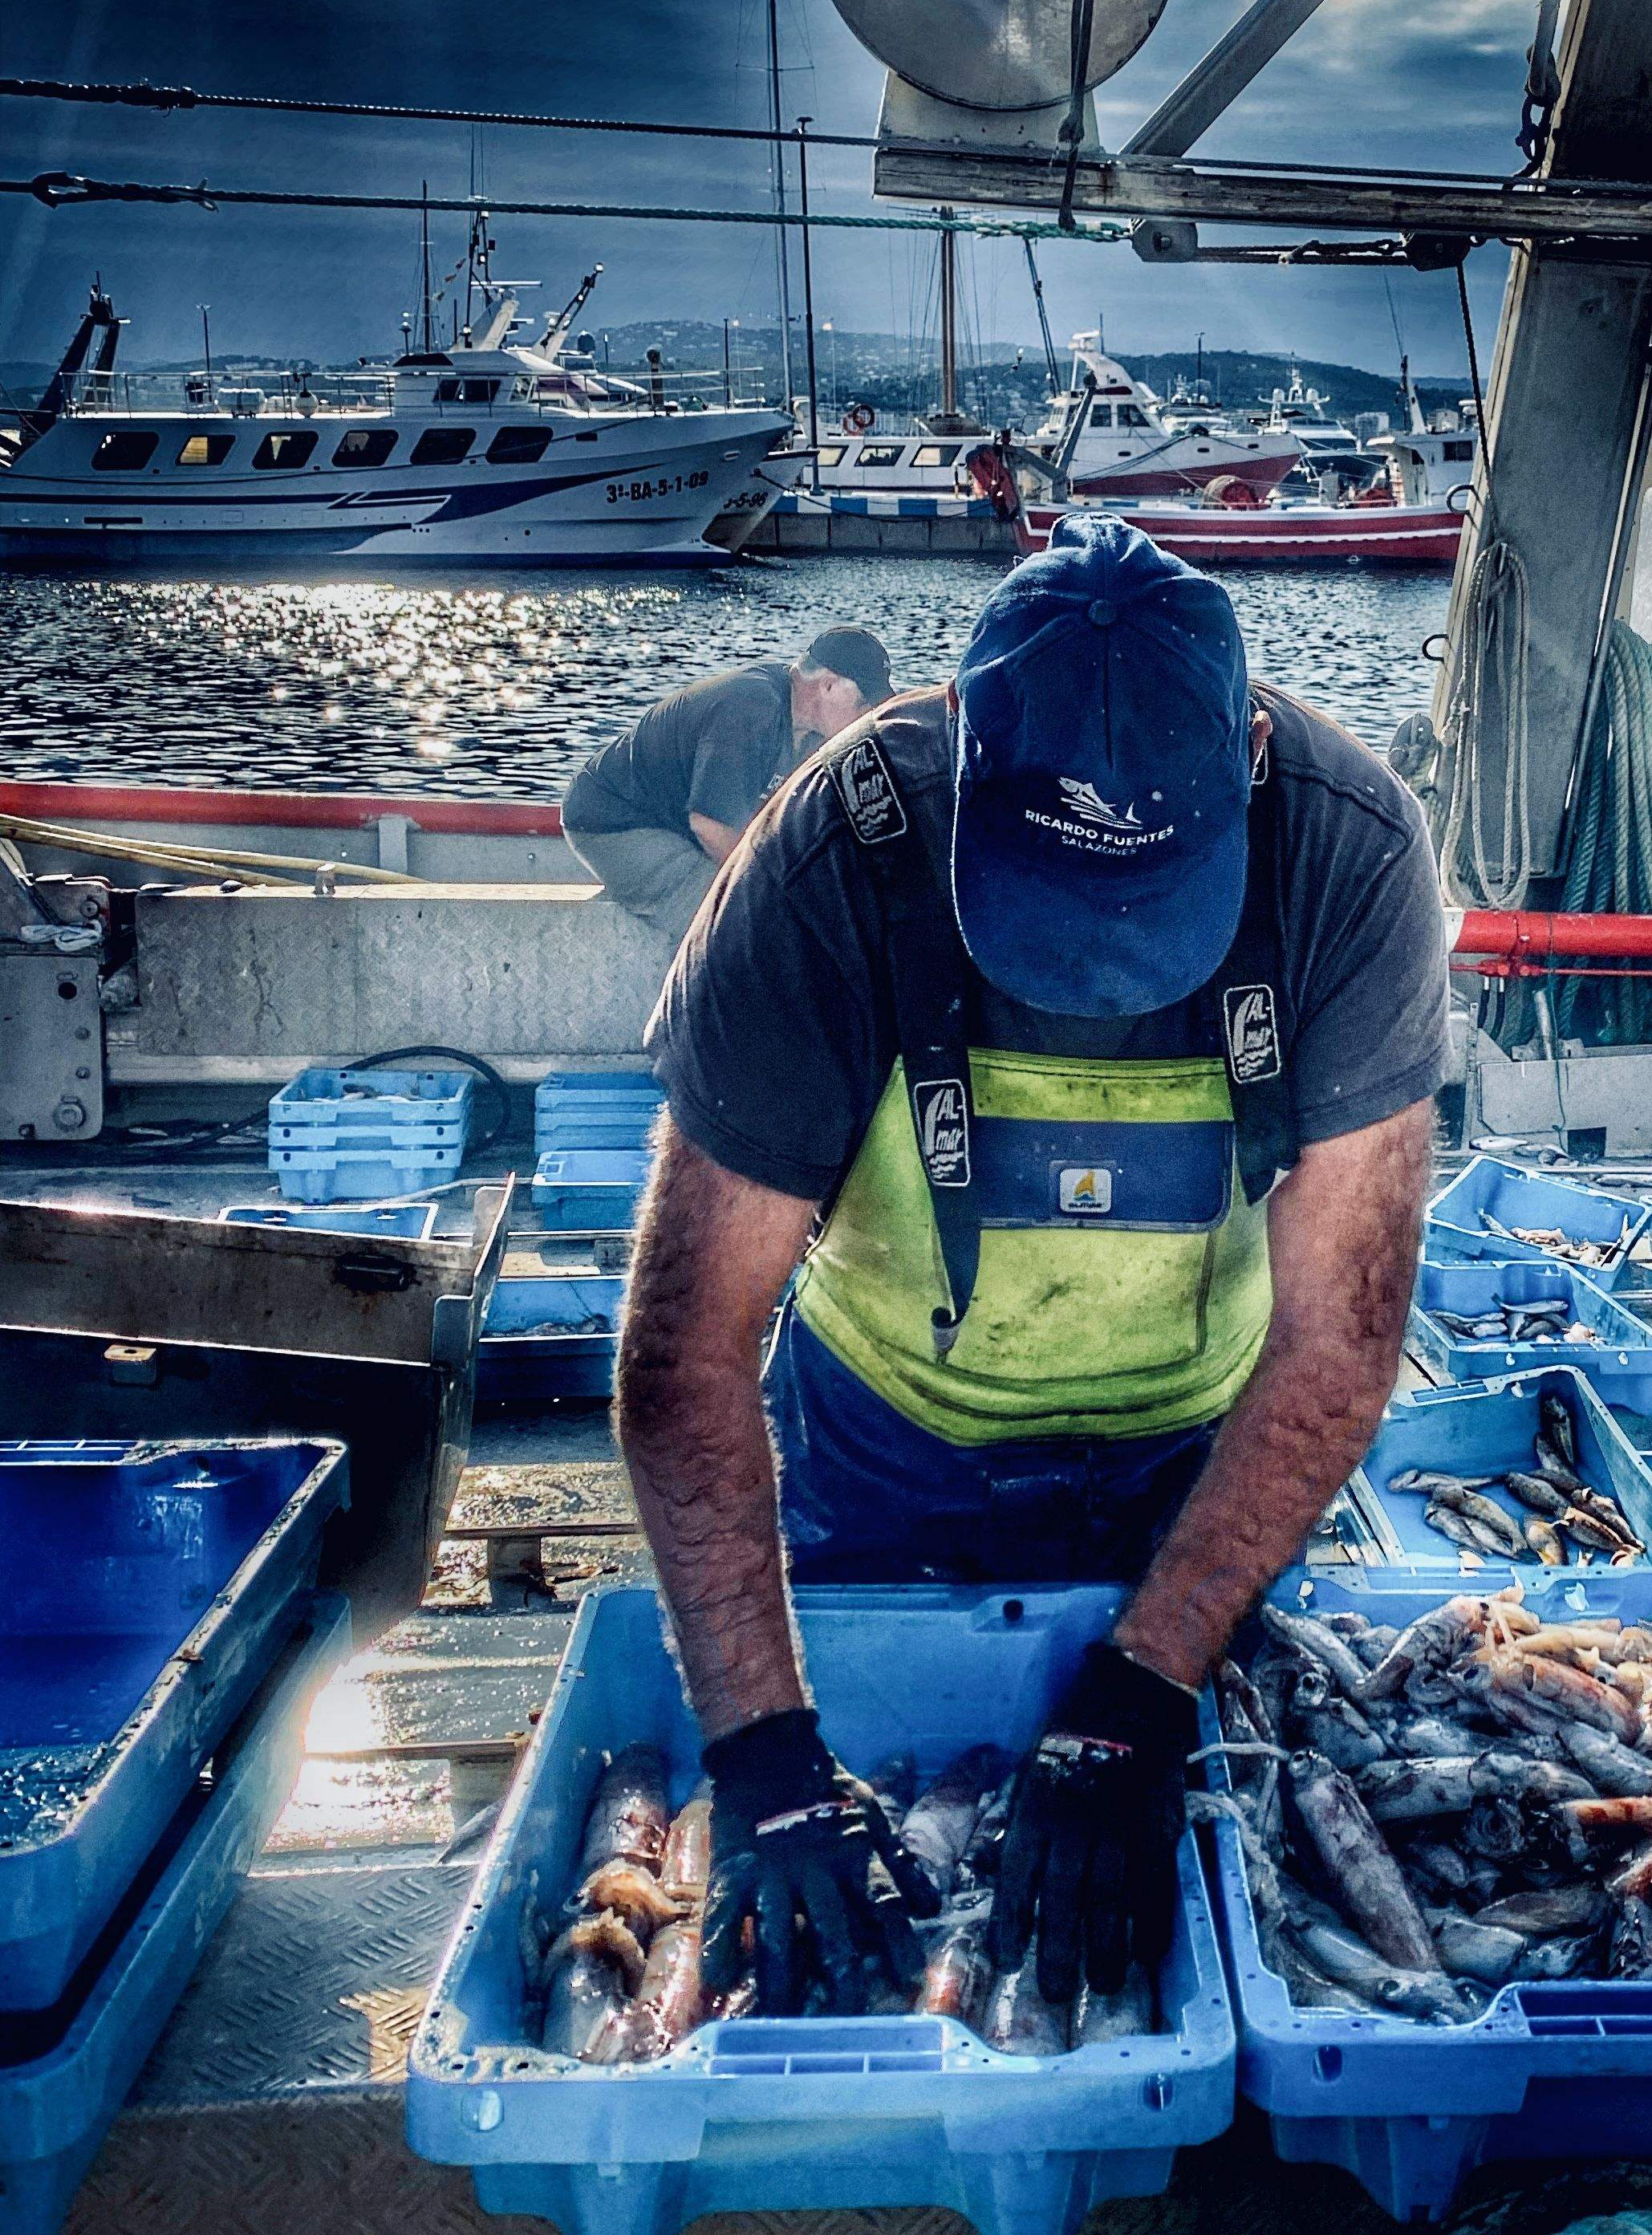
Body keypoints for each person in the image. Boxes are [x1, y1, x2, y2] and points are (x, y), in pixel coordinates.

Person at [613, 518, 1449, 2016]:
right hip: (883, 1444)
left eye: (1153, 909)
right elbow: (683, 1350)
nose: (1107, 975)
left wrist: (1145, 1681)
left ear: (1250, 752)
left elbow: (1339, 1337)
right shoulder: (830, 854)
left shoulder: (1349, 855)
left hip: (1200, 1461)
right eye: (1055, 913)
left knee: (1186, 1874)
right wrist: (764, 1762)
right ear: (958, 750)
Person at [562, 630, 893, 952]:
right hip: (616, 823)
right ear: (829, 686)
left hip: (683, 826)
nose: (868, 720)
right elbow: (711, 826)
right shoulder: (749, 707)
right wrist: (785, 891)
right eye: (864, 705)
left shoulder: (814, 729)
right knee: (744, 923)